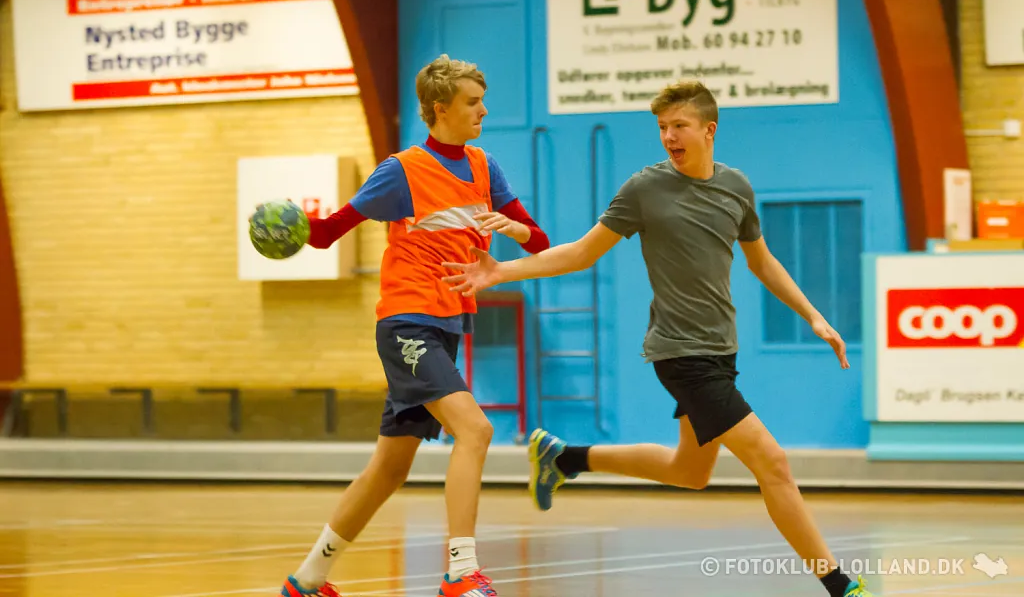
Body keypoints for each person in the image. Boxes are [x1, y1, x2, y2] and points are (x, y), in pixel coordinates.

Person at [441, 80, 875, 597]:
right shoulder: (644, 189)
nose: (669, 136)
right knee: (773, 463)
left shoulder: (736, 187)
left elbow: (762, 262)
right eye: (662, 127)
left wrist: (814, 316)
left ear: (709, 130)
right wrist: (501, 272)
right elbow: (581, 252)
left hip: (721, 350)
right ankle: (840, 585)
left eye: (679, 126)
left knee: (689, 471)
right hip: (681, 353)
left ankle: (565, 457)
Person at [280, 54, 549, 597]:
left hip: (445, 327)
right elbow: (329, 233)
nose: (483, 111)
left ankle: (306, 580)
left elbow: (539, 242)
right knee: (476, 429)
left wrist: (515, 229)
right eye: (473, 102)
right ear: (439, 108)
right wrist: (289, 225)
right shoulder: (402, 171)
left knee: (390, 468)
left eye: (482, 101)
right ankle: (460, 572)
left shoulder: (484, 167)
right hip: (407, 323)